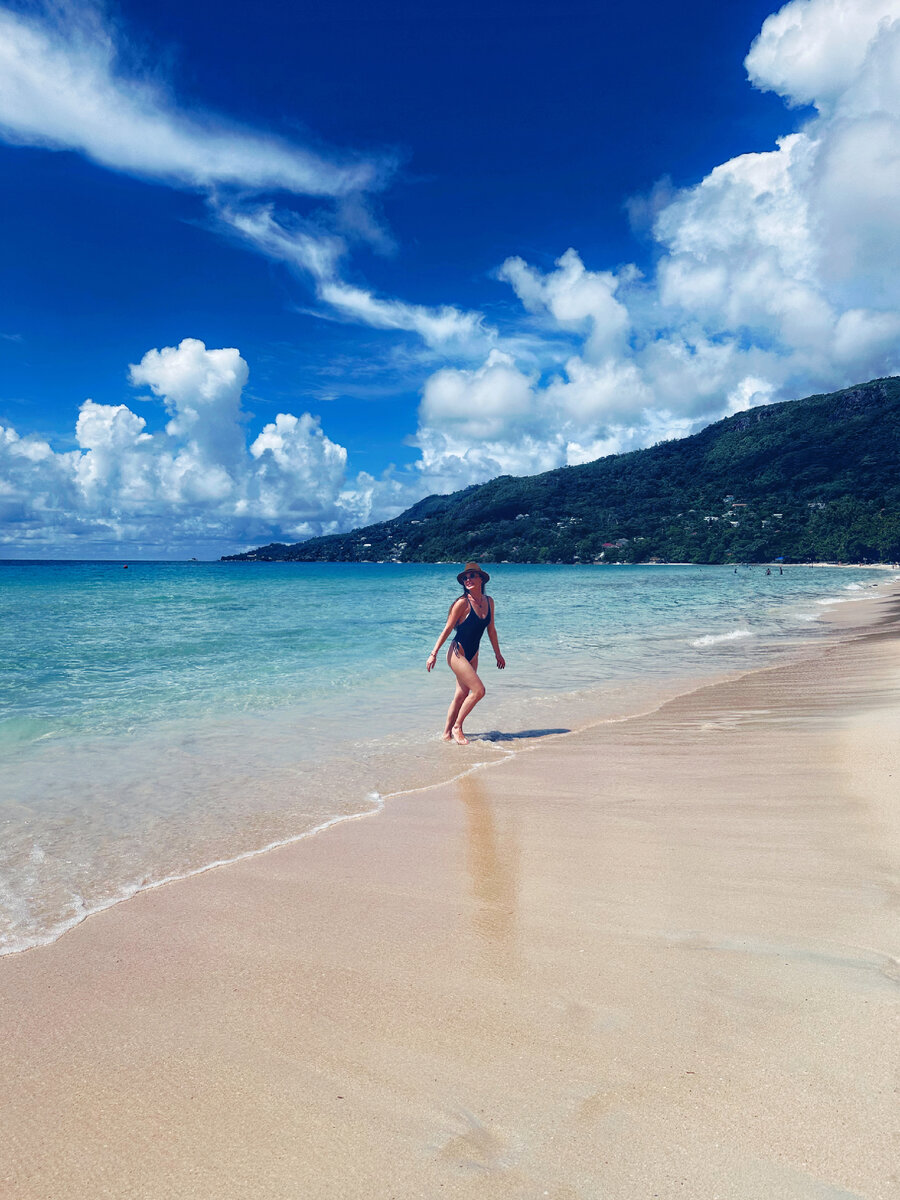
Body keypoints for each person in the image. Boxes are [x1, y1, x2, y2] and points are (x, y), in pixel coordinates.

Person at [426, 562, 505, 744]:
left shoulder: (489, 602)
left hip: (473, 653)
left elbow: (491, 630)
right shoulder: (462, 603)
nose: (467, 580)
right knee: (479, 691)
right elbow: (447, 629)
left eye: (471, 576)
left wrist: (497, 654)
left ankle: (445, 735)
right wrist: (433, 653)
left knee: (461, 695)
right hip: (457, 652)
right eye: (465, 578)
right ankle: (457, 727)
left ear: (481, 579)